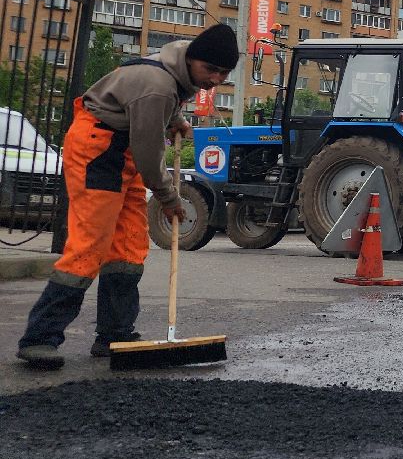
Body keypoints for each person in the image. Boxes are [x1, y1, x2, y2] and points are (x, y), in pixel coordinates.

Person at [16, 24, 239, 369]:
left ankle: (114, 335)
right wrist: (169, 198)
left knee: (128, 245)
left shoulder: (177, 68)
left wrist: (176, 117)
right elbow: (149, 152)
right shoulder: (158, 87)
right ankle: (39, 338)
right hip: (98, 149)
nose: (216, 79)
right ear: (193, 59)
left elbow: (152, 107)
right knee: (90, 245)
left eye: (223, 73)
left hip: (121, 151)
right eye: (211, 70)